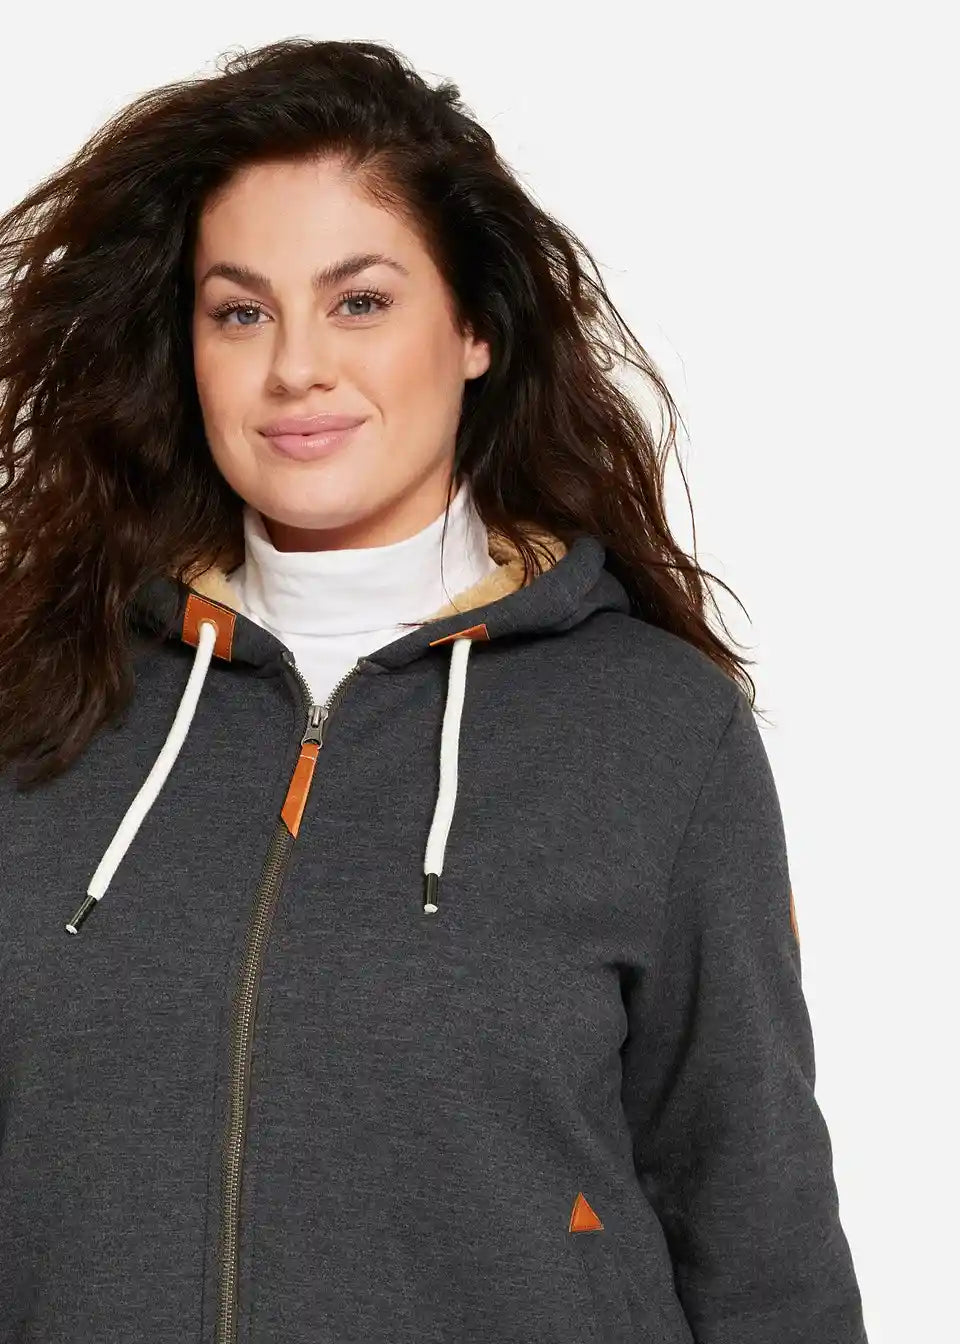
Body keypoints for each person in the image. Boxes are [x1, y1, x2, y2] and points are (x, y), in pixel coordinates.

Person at [0, 36, 868, 1344]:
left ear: (473, 330)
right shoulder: (45, 706)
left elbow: (758, 1229)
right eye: (241, 311)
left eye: (359, 302)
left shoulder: (654, 732)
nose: (296, 367)